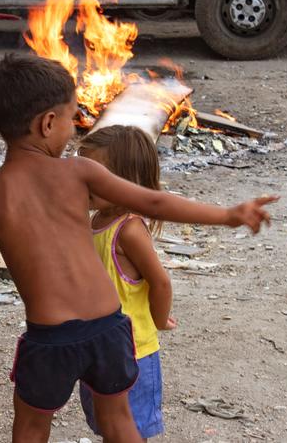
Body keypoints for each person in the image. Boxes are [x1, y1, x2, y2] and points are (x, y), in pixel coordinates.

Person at [0, 53, 277, 443]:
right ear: (47, 123)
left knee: (30, 425)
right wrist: (227, 214)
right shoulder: (80, 172)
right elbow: (154, 203)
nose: (73, 129)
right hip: (109, 327)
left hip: (50, 337)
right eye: (70, 118)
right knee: (118, 422)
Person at [77, 125, 176, 441]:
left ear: (124, 182)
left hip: (132, 352)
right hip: (95, 348)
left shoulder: (129, 230)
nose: (83, 184)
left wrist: (159, 319)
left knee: (129, 430)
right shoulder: (94, 221)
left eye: (94, 177)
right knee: (109, 427)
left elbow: (160, 282)